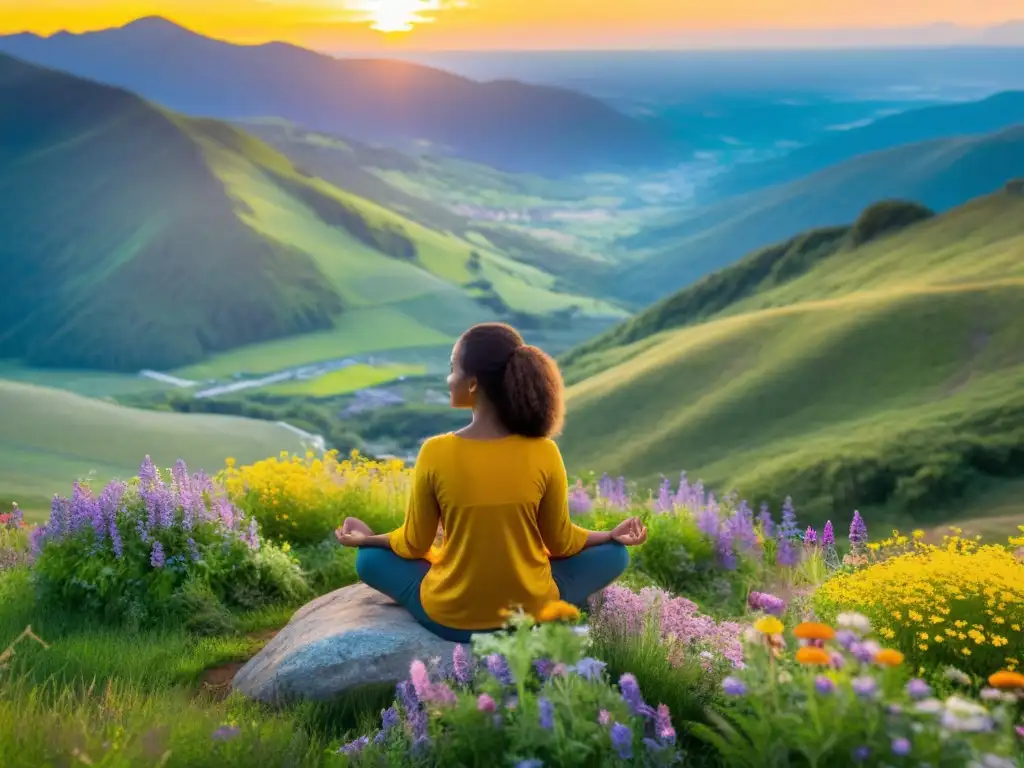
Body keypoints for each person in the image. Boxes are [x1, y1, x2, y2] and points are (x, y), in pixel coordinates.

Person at [336, 322, 648, 643]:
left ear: (472, 384)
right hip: (529, 615)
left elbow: (414, 544)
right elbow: (561, 543)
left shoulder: (435, 452)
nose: (448, 378)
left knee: (369, 560)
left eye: (452, 368)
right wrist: (609, 536)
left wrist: (369, 540)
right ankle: (549, 599)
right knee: (615, 554)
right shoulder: (544, 451)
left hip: (451, 620)